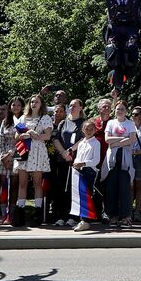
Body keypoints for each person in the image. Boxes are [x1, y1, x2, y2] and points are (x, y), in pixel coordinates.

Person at [12, 94, 54, 228]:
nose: (33, 104)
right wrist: (25, 134)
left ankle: (37, 213)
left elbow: (47, 136)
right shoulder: (23, 117)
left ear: (41, 104)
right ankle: (19, 212)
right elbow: (16, 136)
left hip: (37, 151)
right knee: (22, 183)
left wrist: (37, 135)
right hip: (25, 151)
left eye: (36, 102)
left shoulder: (45, 118)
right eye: (32, 102)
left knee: (37, 183)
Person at [101, 100, 139, 230]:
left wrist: (116, 141)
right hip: (112, 158)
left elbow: (133, 139)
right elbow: (107, 139)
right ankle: (113, 216)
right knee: (111, 187)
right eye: (118, 109)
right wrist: (123, 140)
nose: (120, 111)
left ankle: (126, 216)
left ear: (126, 111)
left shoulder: (130, 124)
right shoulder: (111, 123)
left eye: (122, 109)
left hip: (125, 158)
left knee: (125, 186)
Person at [50, 97, 84, 227]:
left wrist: (70, 151)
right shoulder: (63, 123)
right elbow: (56, 139)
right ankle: (61, 216)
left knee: (72, 189)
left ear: (80, 108)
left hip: (75, 160)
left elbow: (83, 139)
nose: (72, 107)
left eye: (75, 105)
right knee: (60, 188)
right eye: (70, 105)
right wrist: (63, 153)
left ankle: (72, 216)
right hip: (62, 159)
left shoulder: (83, 122)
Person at [71, 119, 103, 231]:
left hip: (89, 171)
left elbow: (96, 160)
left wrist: (83, 163)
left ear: (94, 130)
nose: (89, 131)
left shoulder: (96, 143)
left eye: (91, 129)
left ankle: (86, 221)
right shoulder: (81, 143)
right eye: (86, 129)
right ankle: (82, 220)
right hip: (79, 171)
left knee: (86, 195)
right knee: (79, 196)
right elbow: (78, 156)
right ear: (83, 130)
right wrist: (76, 163)